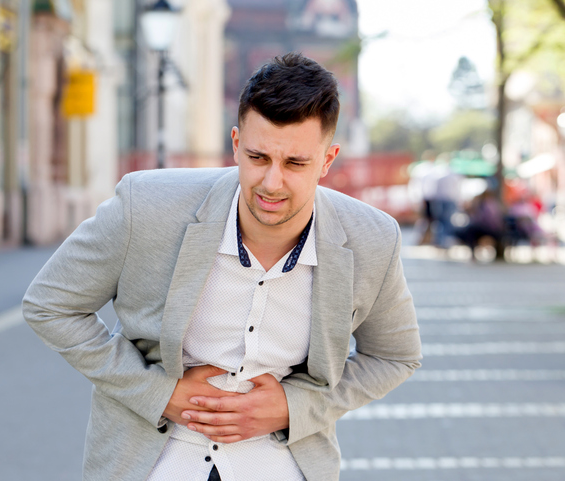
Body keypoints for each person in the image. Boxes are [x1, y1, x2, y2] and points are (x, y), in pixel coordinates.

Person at [22, 53, 421, 481]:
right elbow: (49, 304)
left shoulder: (372, 239)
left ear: (328, 159)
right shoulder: (147, 206)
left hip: (281, 466)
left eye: (295, 163)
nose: (271, 182)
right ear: (235, 143)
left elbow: (395, 356)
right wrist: (158, 393)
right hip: (150, 462)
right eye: (258, 157)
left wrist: (294, 407)